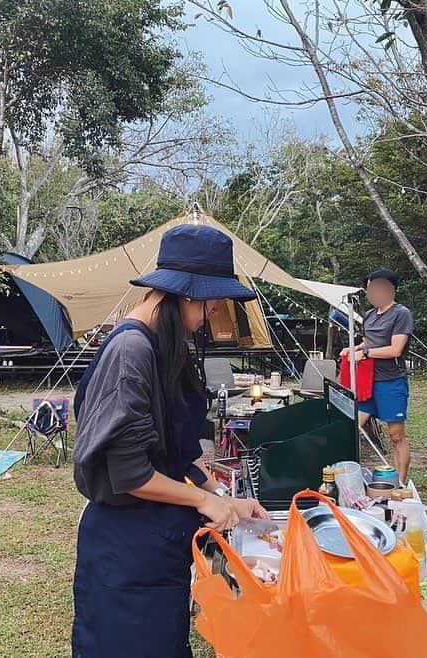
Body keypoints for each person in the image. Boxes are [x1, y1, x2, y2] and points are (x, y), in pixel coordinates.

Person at [71, 224, 269, 658]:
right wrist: (202, 502)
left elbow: (170, 451)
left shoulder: (163, 346)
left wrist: (218, 492)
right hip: (126, 546)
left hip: (156, 539)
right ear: (185, 295)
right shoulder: (131, 353)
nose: (211, 314)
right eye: (210, 303)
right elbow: (131, 473)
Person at [342, 268, 414, 484]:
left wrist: (363, 353)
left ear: (392, 290)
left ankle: (400, 484)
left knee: (396, 436)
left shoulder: (401, 314)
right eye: (372, 288)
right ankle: (349, 479)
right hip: (367, 382)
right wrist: (352, 348)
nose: (375, 292)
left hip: (391, 382)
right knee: (351, 429)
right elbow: (370, 342)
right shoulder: (371, 316)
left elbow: (395, 349)